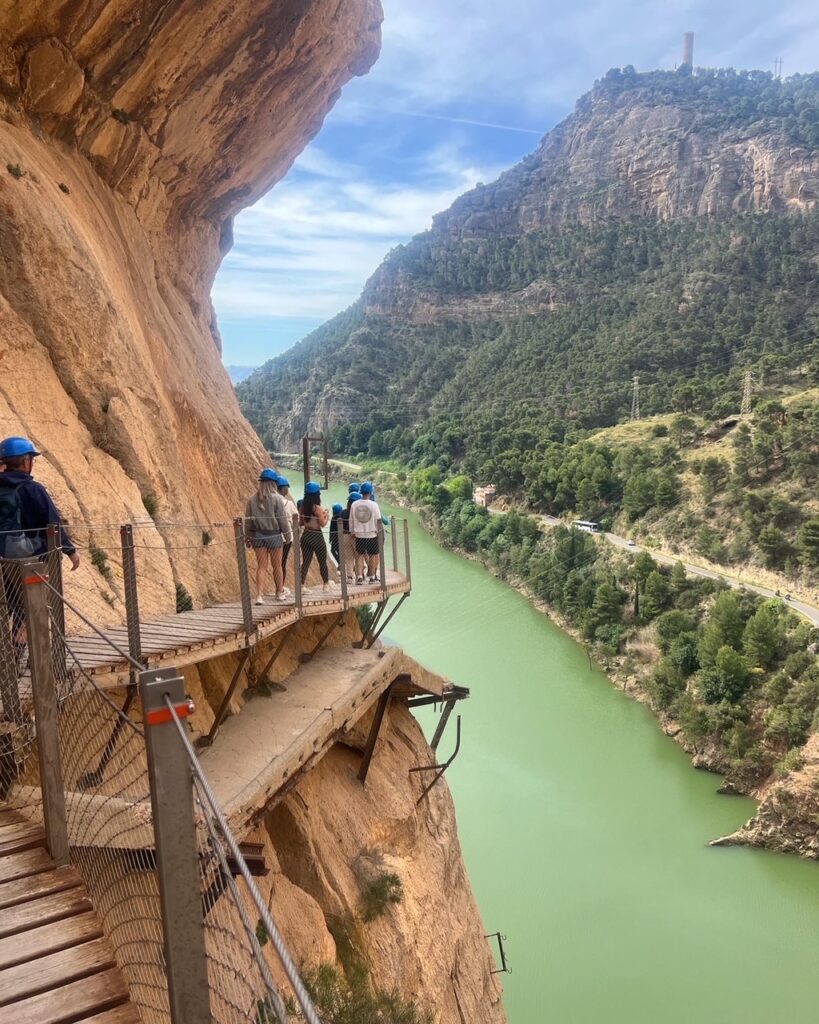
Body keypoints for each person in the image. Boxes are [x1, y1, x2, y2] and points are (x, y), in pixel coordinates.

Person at [0, 436, 79, 646]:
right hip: (31, 557)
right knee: (35, 603)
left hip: (3, 556)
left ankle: (7, 660)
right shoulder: (33, 489)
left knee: (10, 602)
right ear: (26, 462)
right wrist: (70, 551)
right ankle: (19, 650)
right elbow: (52, 521)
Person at [245, 469, 292, 604]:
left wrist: (247, 537)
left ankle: (259, 595)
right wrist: (287, 537)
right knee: (277, 566)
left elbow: (248, 521)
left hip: (258, 536)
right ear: (274, 483)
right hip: (274, 536)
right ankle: (279, 592)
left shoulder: (252, 499)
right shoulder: (278, 499)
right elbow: (282, 520)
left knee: (261, 566)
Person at [299, 482, 333, 592]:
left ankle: (301, 585)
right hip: (317, 536)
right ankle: (326, 584)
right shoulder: (317, 508)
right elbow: (322, 524)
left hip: (306, 535)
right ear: (316, 495)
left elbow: (300, 523)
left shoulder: (302, 508)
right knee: (322, 561)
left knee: (306, 561)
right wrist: (326, 516)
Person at [350, 481, 383, 584]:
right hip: (372, 534)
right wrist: (379, 533)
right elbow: (378, 520)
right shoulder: (374, 505)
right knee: (373, 555)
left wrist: (352, 531)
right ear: (370, 492)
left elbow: (351, 519)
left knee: (359, 555)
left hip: (359, 534)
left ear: (361, 492)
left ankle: (359, 577)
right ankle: (372, 577)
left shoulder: (354, 504)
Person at [277, 476, 298, 586]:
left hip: (274, 536)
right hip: (287, 537)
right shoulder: (289, 503)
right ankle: (281, 587)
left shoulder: (272, 502)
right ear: (285, 489)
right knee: (282, 563)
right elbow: (296, 518)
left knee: (276, 564)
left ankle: (279, 587)